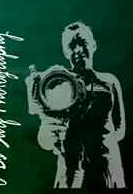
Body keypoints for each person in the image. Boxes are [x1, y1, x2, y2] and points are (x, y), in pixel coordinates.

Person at [26, 22, 126, 188]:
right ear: (65, 52)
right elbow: (45, 138)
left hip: (107, 170)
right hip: (71, 171)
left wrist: (98, 146)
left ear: (93, 45)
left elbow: (119, 130)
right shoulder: (56, 84)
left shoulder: (110, 82)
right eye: (72, 46)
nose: (78, 50)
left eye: (83, 43)